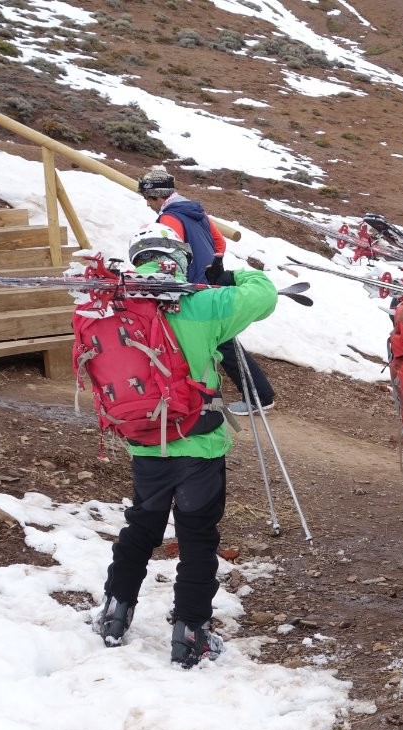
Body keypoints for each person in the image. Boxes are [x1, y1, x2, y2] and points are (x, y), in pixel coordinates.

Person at [95, 225, 279, 667]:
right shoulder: (204, 304)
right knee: (197, 537)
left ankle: (116, 613)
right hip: (199, 444)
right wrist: (225, 275)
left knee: (141, 526)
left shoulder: (111, 307)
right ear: (179, 260)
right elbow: (265, 294)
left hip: (145, 442)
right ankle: (190, 633)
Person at [138, 167, 275, 416]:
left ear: (156, 196)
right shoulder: (194, 211)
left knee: (221, 342)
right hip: (211, 280)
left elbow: (170, 254)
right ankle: (259, 395)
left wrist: (184, 277)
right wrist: (213, 266)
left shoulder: (169, 219)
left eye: (148, 199)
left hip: (194, 289)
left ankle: (257, 397)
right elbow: (220, 242)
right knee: (224, 338)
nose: (148, 205)